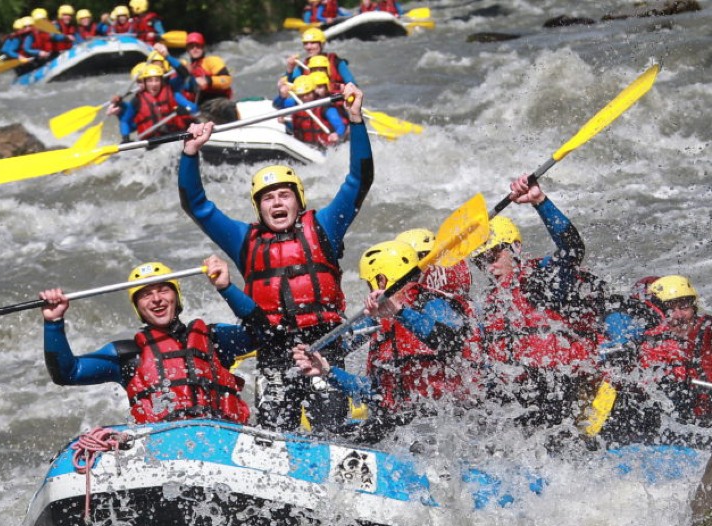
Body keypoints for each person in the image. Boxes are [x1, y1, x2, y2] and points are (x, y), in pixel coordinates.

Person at [178, 83, 374, 433]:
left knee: (329, 428)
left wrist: (356, 120)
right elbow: (197, 206)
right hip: (273, 348)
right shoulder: (243, 239)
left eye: (285, 195)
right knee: (272, 433)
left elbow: (359, 180)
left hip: (325, 344)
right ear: (258, 207)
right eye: (268, 198)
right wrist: (191, 153)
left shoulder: (325, 227)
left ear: (298, 201)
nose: (278, 203)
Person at [39, 257, 273, 425]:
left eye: (163, 290)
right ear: (137, 307)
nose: (157, 299)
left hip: (223, 438)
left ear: (176, 297)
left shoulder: (214, 338)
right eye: (146, 294)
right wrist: (54, 322)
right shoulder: (127, 355)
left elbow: (263, 333)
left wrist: (226, 287)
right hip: (163, 450)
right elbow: (67, 373)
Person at [293, 240, 484, 443]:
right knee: (327, 436)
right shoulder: (383, 324)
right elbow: (377, 394)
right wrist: (328, 372)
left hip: (444, 425)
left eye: (369, 284)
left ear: (381, 281)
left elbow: (452, 342)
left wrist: (400, 313)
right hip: (400, 426)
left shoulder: (432, 304)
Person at [471, 174, 606, 431]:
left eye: (493, 256)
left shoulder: (541, 279)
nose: (490, 268)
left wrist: (540, 201)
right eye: (481, 262)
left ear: (516, 249)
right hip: (514, 398)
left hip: (563, 392)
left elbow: (572, 249)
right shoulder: (489, 303)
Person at [598, 275, 712, 447]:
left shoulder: (706, 331)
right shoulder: (648, 340)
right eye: (671, 308)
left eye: (684, 306)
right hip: (657, 426)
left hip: (699, 420)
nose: (679, 315)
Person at [110, 61, 198, 143]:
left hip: (176, 136)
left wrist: (185, 109)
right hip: (153, 142)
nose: (154, 84)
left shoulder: (171, 94)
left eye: (157, 80)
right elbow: (125, 121)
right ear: (145, 83)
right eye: (150, 81)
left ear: (161, 81)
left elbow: (194, 108)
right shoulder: (137, 101)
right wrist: (125, 138)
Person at [280, 74, 347, 147]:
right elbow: (278, 105)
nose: (305, 97)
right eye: (301, 95)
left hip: (322, 147)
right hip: (301, 145)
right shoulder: (295, 103)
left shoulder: (325, 107)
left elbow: (340, 126)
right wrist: (282, 95)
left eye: (308, 94)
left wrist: (337, 134)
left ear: (313, 92)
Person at [285, 27, 356, 90]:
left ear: (322, 44)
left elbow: (352, 85)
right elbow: (289, 86)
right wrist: (290, 69)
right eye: (306, 43)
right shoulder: (303, 67)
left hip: (335, 100)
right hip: (312, 101)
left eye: (313, 43)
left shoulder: (336, 62)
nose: (308, 47)